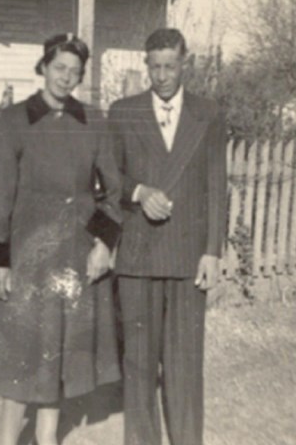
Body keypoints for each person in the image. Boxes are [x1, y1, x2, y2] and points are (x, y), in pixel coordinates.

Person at [0, 33, 122, 445]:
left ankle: (46, 440)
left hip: (74, 252)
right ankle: (6, 441)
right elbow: (1, 193)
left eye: (75, 72)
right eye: (59, 68)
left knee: (57, 351)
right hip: (28, 249)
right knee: (23, 348)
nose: (67, 78)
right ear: (43, 67)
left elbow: (112, 192)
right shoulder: (14, 120)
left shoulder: (94, 120)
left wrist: (102, 244)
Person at [108, 28, 227, 445]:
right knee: (138, 363)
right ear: (146, 65)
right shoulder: (123, 112)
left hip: (187, 257)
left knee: (184, 365)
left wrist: (212, 252)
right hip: (138, 258)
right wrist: (138, 193)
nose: (162, 75)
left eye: (170, 66)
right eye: (154, 66)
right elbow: (105, 180)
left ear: (185, 63)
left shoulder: (208, 113)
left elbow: (216, 185)